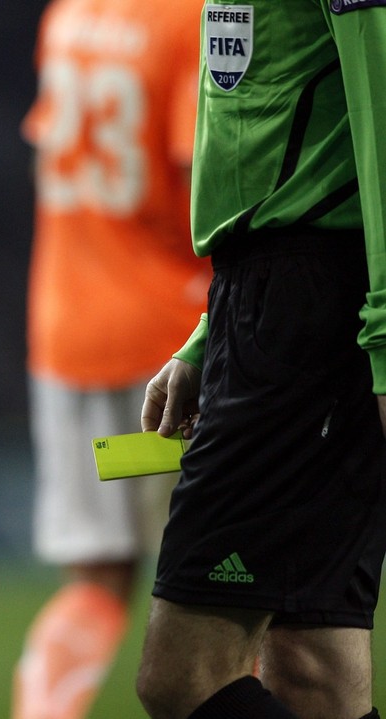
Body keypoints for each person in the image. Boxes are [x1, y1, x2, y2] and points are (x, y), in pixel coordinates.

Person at [135, 3, 386, 719]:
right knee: (313, 673)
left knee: (182, 674)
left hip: (312, 316)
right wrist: (209, 334)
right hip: (263, 300)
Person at [12, 1, 209, 717]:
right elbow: (204, 175)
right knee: (223, 581)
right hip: (171, 353)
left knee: (95, 579)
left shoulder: (69, 12)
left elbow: (47, 157)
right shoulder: (191, 14)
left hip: (66, 339)